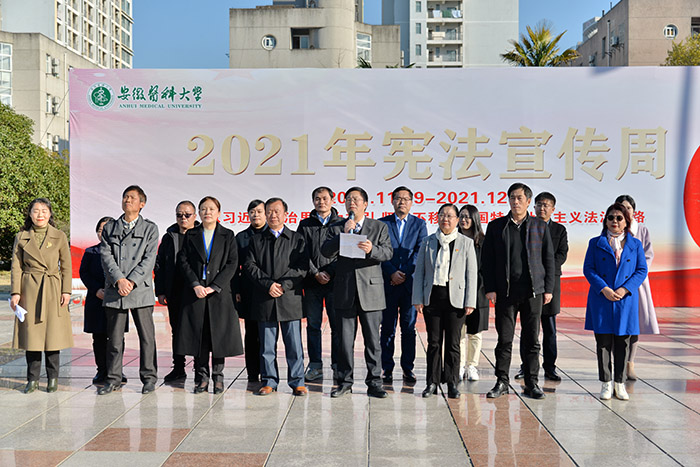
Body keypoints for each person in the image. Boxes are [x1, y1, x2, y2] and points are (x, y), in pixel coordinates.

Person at [481, 182, 554, 400]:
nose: (515, 202)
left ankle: (532, 382)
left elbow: (548, 259)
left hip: (533, 292)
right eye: (512, 197)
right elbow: (487, 260)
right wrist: (490, 288)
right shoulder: (497, 226)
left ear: (528, 201)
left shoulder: (540, 226)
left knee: (531, 340)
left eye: (520, 198)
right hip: (505, 292)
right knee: (504, 339)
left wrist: (548, 288)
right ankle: (501, 381)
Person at [321, 187, 393, 398]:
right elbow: (325, 251)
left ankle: (375, 382)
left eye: (356, 199)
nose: (351, 202)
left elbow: (388, 252)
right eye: (348, 199)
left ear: (365, 204)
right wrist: (343, 235)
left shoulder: (378, 227)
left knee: (372, 341)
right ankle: (345, 382)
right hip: (345, 291)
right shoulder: (337, 227)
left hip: (371, 291)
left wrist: (372, 250)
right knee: (344, 341)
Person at [176, 196, 243, 394]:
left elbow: (232, 263)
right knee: (200, 336)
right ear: (199, 213)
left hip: (218, 294)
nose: (207, 212)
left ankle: (218, 378)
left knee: (218, 337)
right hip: (196, 293)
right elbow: (183, 261)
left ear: (219, 213)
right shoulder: (191, 234)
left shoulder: (227, 235)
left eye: (211, 209)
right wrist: (195, 284)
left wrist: (215, 286)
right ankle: (202, 378)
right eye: (204, 209)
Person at [98, 185, 159, 395]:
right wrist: (119, 280)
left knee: (147, 338)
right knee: (114, 340)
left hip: (139, 289)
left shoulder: (150, 228)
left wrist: (131, 281)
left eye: (132, 198)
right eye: (125, 197)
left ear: (142, 204)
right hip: (116, 290)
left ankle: (149, 378)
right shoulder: (110, 228)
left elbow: (149, 259)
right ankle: (113, 379)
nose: (127, 200)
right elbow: (106, 256)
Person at [244, 197, 308, 396]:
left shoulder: (297, 239)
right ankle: (269, 381)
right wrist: (268, 284)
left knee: (294, 345)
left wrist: (283, 285)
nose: (273, 215)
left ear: (285, 214)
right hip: (265, 298)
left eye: (277, 211)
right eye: (269, 211)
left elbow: (302, 267)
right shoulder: (256, 240)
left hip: (290, 298)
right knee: (267, 346)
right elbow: (249, 266)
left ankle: (297, 381)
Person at [583, 203, 647, 400]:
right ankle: (606, 382)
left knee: (623, 342)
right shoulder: (595, 243)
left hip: (624, 299)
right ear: (605, 221)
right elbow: (589, 269)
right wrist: (604, 289)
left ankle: (619, 383)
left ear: (626, 221)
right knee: (603, 342)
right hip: (602, 298)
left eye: (619, 218)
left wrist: (624, 289)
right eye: (610, 217)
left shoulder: (635, 244)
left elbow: (641, 270)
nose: (614, 221)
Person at [413, 204, 477, 399]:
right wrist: (418, 298)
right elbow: (420, 272)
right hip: (433, 298)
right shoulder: (428, 242)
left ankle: (452, 382)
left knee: (453, 343)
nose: (445, 219)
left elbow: (471, 274)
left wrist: (470, 301)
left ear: (457, 220)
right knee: (433, 342)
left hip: (456, 300)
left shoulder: (466, 243)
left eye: (449, 216)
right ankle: (432, 382)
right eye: (441, 215)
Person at [10, 198, 72, 394]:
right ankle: (32, 379)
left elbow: (66, 266)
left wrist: (66, 291)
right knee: (32, 337)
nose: (40, 214)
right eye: (36, 211)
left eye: (44, 211)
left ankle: (53, 378)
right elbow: (16, 267)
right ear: (30, 214)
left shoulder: (59, 236)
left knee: (53, 335)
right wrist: (16, 292)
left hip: (52, 288)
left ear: (50, 214)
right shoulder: (21, 237)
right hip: (29, 289)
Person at [515, 192, 568, 382]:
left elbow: (561, 254)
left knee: (549, 328)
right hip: (529, 284)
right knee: (529, 329)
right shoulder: (526, 226)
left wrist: (542, 267)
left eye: (546, 205)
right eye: (539, 204)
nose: (542, 208)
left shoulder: (559, 230)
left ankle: (550, 367)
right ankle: (526, 366)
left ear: (553, 209)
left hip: (550, 284)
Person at [379, 186, 427, 384]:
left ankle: (408, 368)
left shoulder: (419, 224)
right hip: (388, 284)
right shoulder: (382, 223)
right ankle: (387, 368)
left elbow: (420, 251)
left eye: (406, 199)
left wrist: (404, 273)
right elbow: (379, 250)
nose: (402, 202)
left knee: (408, 328)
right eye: (398, 198)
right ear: (392, 201)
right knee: (387, 328)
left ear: (412, 202)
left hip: (409, 285)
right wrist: (392, 272)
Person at [297, 187, 342, 383]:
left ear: (332, 200)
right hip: (312, 283)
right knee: (313, 326)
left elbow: (344, 252)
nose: (321, 202)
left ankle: (338, 365)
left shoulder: (342, 224)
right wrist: (315, 272)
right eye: (317, 198)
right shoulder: (305, 225)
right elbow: (301, 252)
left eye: (324, 198)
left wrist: (329, 272)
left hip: (335, 283)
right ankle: (315, 365)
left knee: (337, 326)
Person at [615, 194, 659, 380]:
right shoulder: (612, 228)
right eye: (621, 208)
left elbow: (648, 256)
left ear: (634, 211)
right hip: (616, 283)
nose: (625, 211)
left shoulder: (641, 230)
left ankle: (630, 363)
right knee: (617, 325)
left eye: (628, 208)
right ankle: (617, 364)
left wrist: (635, 275)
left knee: (634, 324)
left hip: (636, 284)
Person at [155, 200, 198, 382]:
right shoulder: (169, 237)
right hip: (175, 291)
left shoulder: (201, 234)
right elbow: (160, 265)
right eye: (179, 215)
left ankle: (200, 368)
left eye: (187, 215)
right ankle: (179, 367)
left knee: (197, 330)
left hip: (196, 292)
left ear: (194, 216)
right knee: (177, 330)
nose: (183, 218)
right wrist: (161, 291)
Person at [80, 216, 123, 385]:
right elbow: (84, 273)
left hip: (116, 299)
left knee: (116, 337)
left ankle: (116, 370)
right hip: (96, 299)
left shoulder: (121, 252)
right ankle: (102, 370)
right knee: (99, 337)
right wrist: (96, 290)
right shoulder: (91, 252)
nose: (103, 233)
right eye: (100, 230)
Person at [234, 199, 267, 383]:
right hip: (249, 292)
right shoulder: (241, 237)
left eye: (259, 211)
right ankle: (253, 373)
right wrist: (237, 290)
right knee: (252, 333)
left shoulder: (272, 234)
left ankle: (268, 371)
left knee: (268, 334)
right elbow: (234, 267)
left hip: (268, 291)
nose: (256, 215)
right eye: (252, 212)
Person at [457, 204, 488, 382]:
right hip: (457, 292)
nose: (464, 220)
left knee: (475, 332)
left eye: (467, 216)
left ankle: (472, 365)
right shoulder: (454, 238)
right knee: (459, 331)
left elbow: (487, 267)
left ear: (475, 219)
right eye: (461, 216)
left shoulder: (483, 241)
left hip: (478, 291)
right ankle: (460, 365)